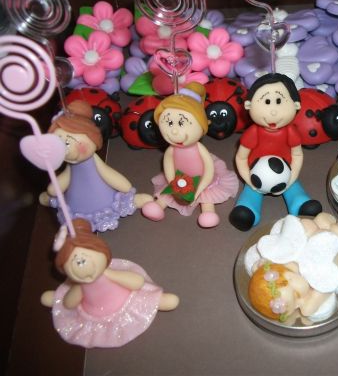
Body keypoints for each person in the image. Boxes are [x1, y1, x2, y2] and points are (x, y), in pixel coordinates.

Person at [40, 219, 179, 348]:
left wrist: (110, 274)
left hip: (124, 298)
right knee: (58, 299)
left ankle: (156, 300)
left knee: (165, 300)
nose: (81, 265)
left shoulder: (109, 274)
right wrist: (71, 293)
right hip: (93, 310)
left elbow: (137, 282)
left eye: (83, 259)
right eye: (72, 261)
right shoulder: (79, 286)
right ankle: (56, 298)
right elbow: (69, 303)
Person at [39, 100, 152, 232]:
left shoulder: (93, 161)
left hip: (105, 200)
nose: (65, 150)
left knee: (120, 201)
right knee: (60, 201)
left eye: (68, 143)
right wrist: (53, 190)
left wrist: (126, 188)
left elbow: (106, 173)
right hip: (76, 205)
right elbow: (65, 177)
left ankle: (132, 201)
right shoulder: (71, 166)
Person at [230, 73, 322, 231]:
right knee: (250, 194)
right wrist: (249, 179)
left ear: (296, 105)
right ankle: (248, 210)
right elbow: (241, 158)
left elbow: (297, 154)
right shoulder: (253, 133)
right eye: (266, 101)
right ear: (248, 105)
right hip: (255, 175)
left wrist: (291, 178)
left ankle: (300, 205)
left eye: (279, 101)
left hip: (286, 173)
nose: (273, 112)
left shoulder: (291, 132)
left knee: (294, 189)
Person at [141, 82, 238, 228]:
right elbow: (169, 167)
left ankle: (208, 211)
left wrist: (199, 188)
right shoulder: (171, 150)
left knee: (206, 196)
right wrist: (173, 184)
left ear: (202, 126)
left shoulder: (199, 149)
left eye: (181, 123)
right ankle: (158, 206)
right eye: (169, 123)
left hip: (203, 181)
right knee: (167, 195)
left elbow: (209, 169)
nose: (174, 131)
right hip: (179, 181)